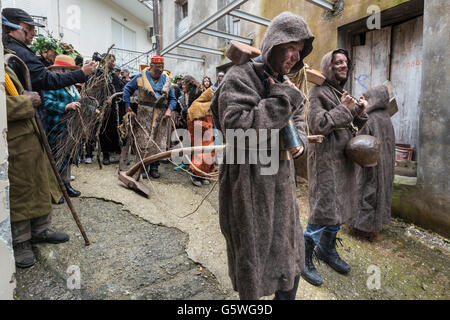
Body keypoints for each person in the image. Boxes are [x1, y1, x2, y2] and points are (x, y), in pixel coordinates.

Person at [210, 12, 314, 300]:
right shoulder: (240, 76)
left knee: (289, 251)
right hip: (248, 180)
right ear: (273, 43)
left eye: (300, 49)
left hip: (280, 179)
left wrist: (301, 142)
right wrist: (284, 101)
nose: (295, 55)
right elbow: (237, 126)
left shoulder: (284, 82)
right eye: (290, 46)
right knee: (252, 251)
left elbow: (300, 121)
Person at [3, 16, 68, 268]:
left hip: (30, 133)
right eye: (5, 30)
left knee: (39, 180)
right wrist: (25, 102)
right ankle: (21, 242)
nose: (30, 35)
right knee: (20, 187)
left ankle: (40, 230)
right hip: (13, 136)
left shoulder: (10, 59)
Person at [302, 49, 369, 287]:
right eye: (337, 62)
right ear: (328, 66)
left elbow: (350, 127)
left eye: (345, 62)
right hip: (325, 161)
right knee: (323, 208)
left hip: (343, 161)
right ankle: (303, 256)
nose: (343, 65)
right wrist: (343, 108)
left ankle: (326, 250)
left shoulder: (341, 93)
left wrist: (359, 113)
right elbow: (317, 124)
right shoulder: (317, 92)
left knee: (338, 208)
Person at [2, 8, 97, 130]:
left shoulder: (13, 48)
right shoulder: (20, 52)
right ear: (14, 27)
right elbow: (48, 84)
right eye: (29, 28)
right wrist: (81, 73)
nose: (34, 33)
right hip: (39, 126)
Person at [350, 83, 395, 241]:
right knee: (378, 193)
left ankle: (363, 228)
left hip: (370, 162)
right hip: (384, 163)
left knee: (366, 192)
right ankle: (374, 227)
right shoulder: (386, 117)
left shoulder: (369, 118)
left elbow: (359, 141)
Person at [122, 56, 177, 178]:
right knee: (143, 141)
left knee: (157, 141)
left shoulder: (167, 79)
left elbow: (173, 99)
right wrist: (127, 105)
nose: (161, 69)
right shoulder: (140, 77)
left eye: (162, 67)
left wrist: (169, 110)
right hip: (144, 114)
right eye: (158, 67)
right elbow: (127, 89)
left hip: (161, 116)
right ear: (151, 66)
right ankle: (142, 167)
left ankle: (154, 167)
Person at [43, 55, 84, 198]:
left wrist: (92, 109)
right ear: (60, 70)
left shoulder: (71, 87)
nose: (71, 74)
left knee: (66, 157)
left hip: (69, 129)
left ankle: (65, 185)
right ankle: (54, 189)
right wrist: (65, 106)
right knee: (55, 157)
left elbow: (79, 103)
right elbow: (46, 103)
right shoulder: (51, 85)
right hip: (56, 127)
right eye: (68, 70)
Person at [186, 77, 219, 186]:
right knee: (200, 153)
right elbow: (196, 123)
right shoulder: (197, 106)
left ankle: (204, 174)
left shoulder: (210, 105)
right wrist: (208, 125)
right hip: (198, 133)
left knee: (210, 153)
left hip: (207, 131)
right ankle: (195, 175)